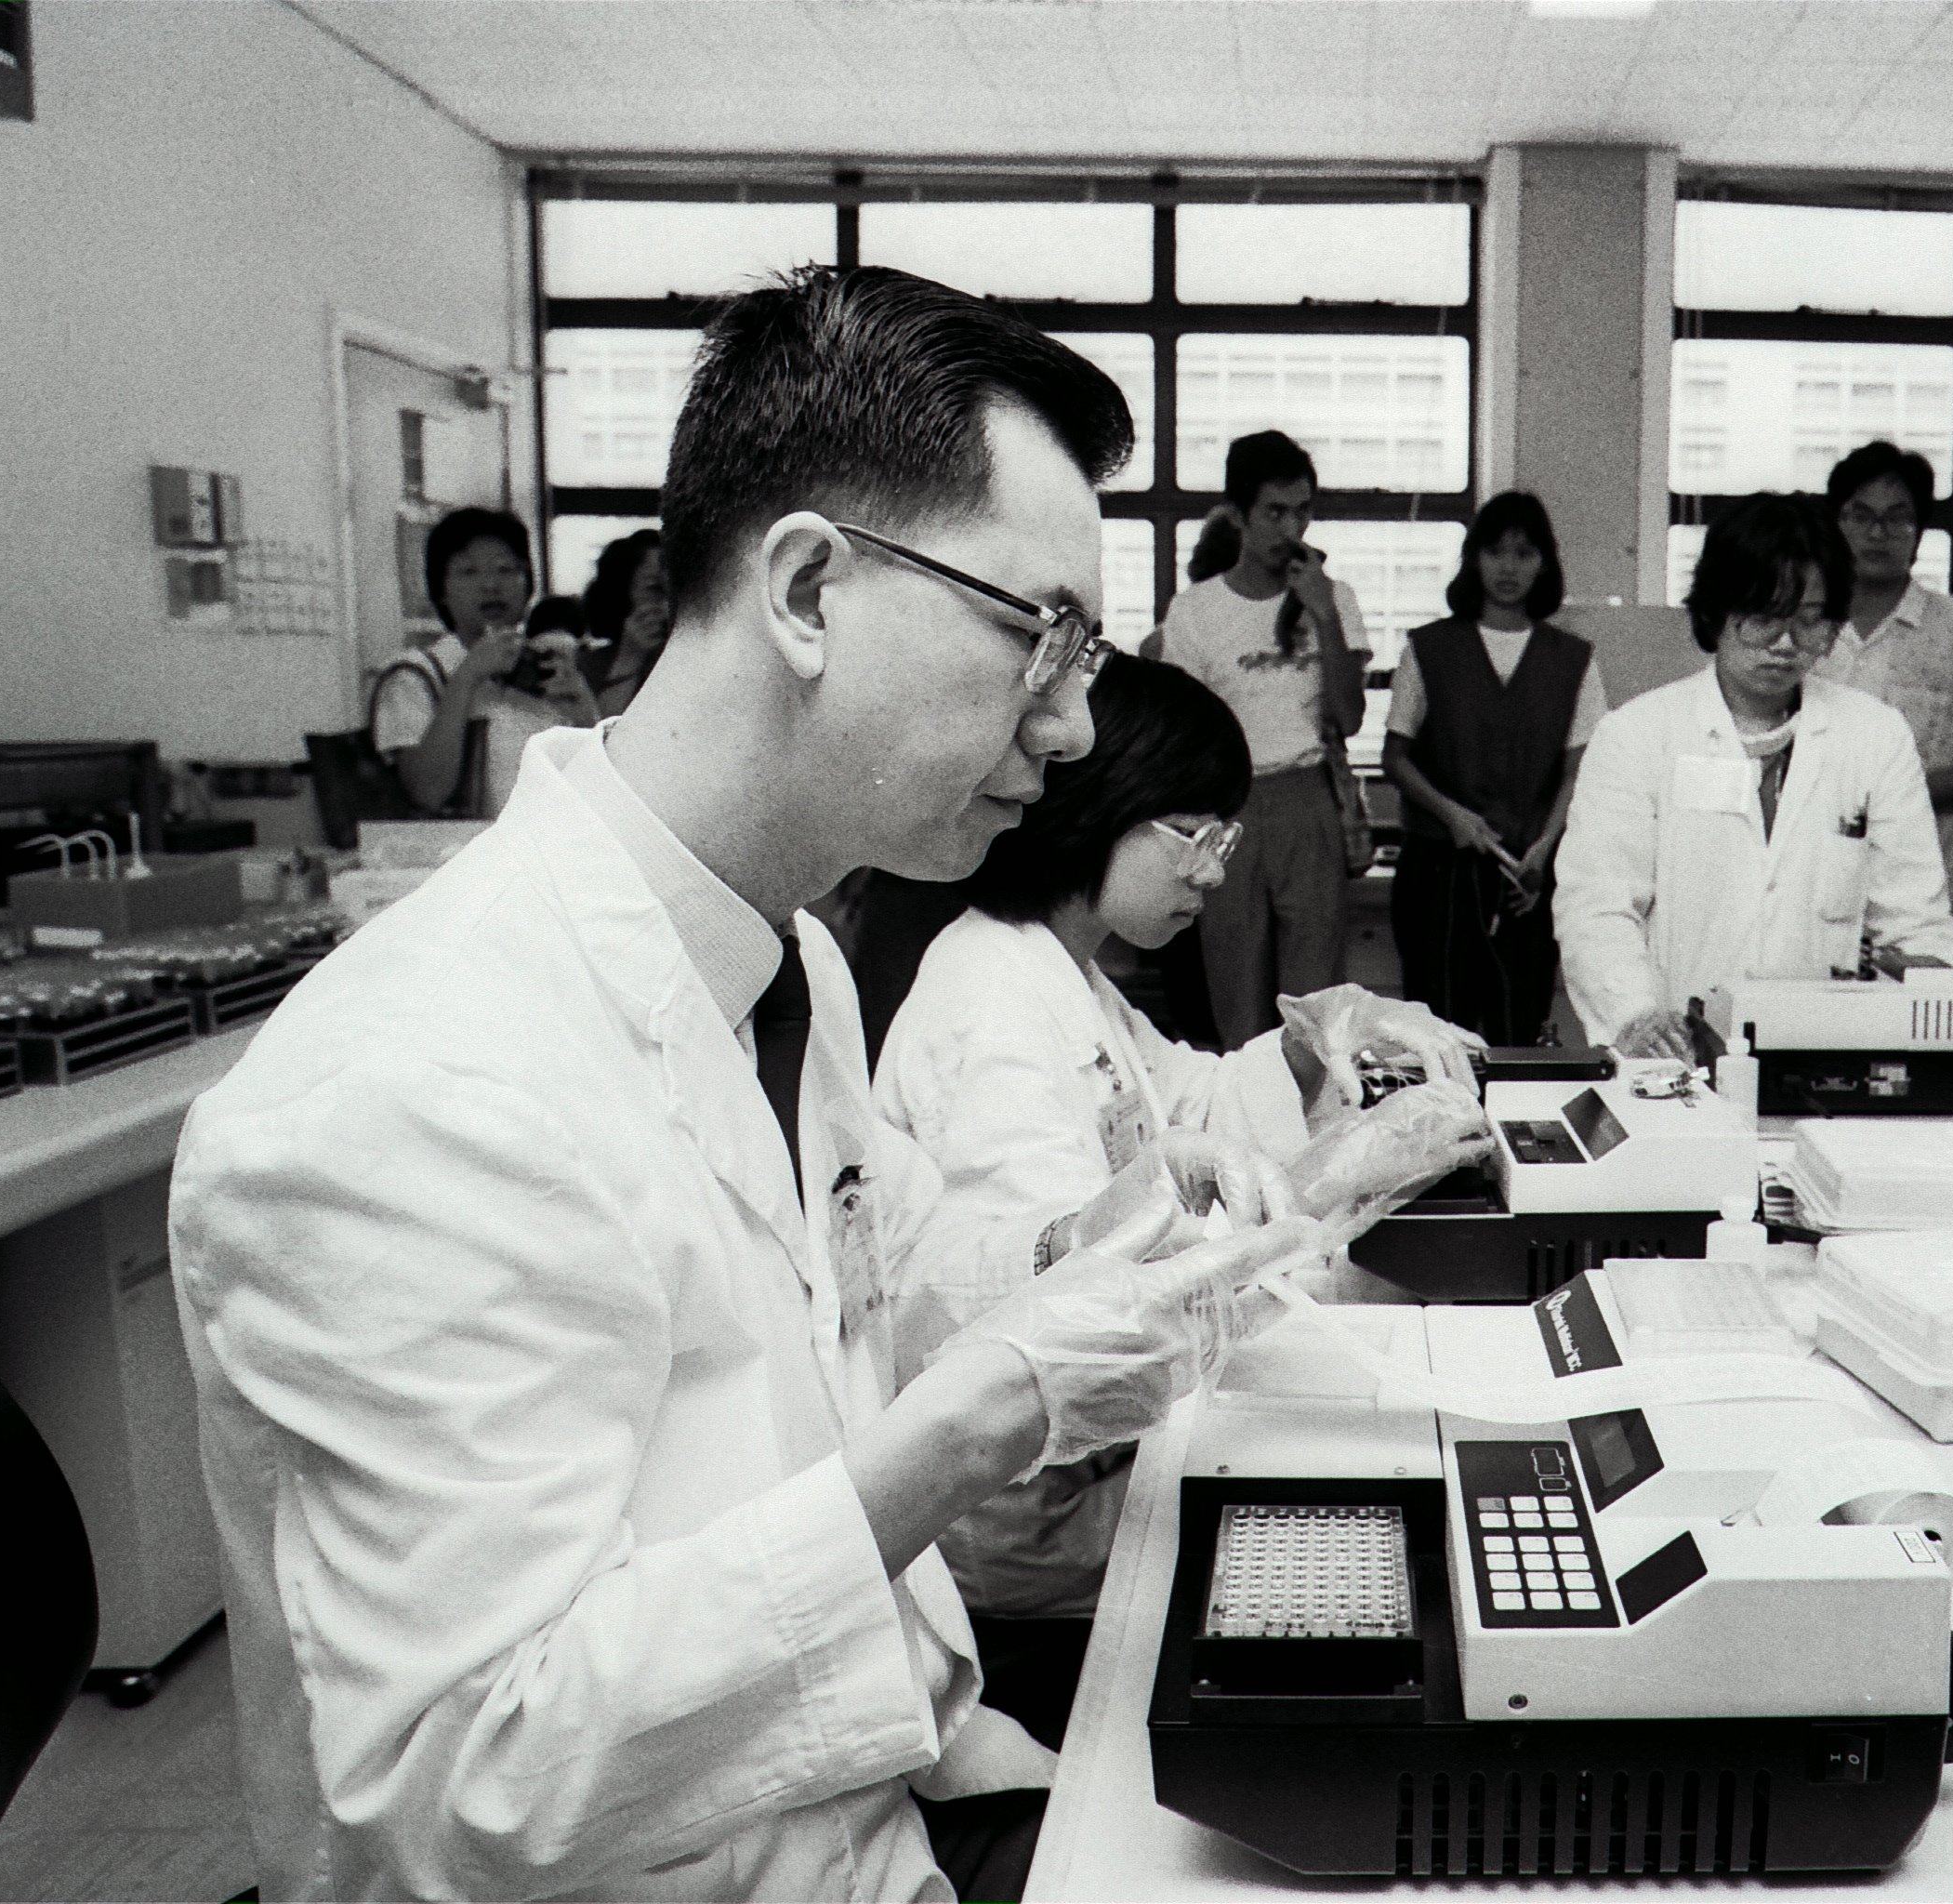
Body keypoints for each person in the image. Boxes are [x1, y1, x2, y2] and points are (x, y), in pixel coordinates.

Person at [167, 265, 1325, 1904]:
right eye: (1038, 636)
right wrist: (993, 1409)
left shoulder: (790, 962)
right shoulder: (411, 1088)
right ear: (805, 590)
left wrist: (1101, 1240)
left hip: (895, 1801)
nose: (1073, 727)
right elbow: (453, 1790)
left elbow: (880, 1282)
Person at [870, 654, 1478, 1746]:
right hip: (1032, 1520)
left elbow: (1182, 1101)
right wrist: (1334, 1175)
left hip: (1095, 1462)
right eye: (1194, 833)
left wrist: (1311, 1047)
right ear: (1101, 806)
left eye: (1225, 840)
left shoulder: (1065, 969)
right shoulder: (989, 1002)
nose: (1213, 871)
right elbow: (1075, 1314)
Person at [1554, 493, 1953, 1061]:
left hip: (1826, 1055)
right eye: (1763, 618)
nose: (1785, 644)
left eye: (1809, 622)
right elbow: (1597, 907)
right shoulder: (1637, 734)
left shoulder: (1874, 737)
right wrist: (1638, 1015)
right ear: (1716, 611)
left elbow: (1914, 918)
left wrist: (1950, 1005)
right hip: (1673, 1059)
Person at [1149, 431, 1370, 1047]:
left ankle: (1316, 1125)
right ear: (1240, 514)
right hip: (1229, 804)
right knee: (1235, 986)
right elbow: (1182, 735)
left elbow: (1349, 717)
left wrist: (1322, 613)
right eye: (1275, 511)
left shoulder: (1335, 598)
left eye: (1303, 511)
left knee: (1316, 1000)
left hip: (1309, 797)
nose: (1291, 527)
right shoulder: (1195, 610)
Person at [1384, 493, 1604, 1045]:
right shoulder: (1429, 648)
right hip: (1440, 871)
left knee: (1518, 1029)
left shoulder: (1574, 659)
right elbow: (1396, 757)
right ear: (1473, 558)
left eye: (1524, 554)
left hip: (1525, 877)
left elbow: (1582, 771)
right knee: (1439, 1034)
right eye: (1495, 552)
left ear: (1544, 563)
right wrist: (1452, 814)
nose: (1509, 568)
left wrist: (1545, 851)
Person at [1817, 442, 1953, 932]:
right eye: (1860, 515)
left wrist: (1897, 793)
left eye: (1897, 517)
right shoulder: (1806, 624)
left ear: (1919, 532)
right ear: (1836, 524)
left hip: (1927, 887)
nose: (1877, 532)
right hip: (1813, 879)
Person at [372, 506, 597, 815]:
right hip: (462, 855)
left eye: (506, 570)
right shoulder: (416, 675)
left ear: (527, 583)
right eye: (469, 572)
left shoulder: (548, 665)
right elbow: (427, 792)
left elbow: (597, 788)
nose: (491, 585)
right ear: (441, 591)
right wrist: (468, 675)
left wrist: (586, 716)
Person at [582, 527, 671, 716]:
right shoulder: (588, 667)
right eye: (655, 589)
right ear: (621, 593)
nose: (668, 606)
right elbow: (600, 733)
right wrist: (631, 656)